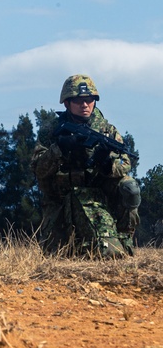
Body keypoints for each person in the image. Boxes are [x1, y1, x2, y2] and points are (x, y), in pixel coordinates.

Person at [31, 74, 140, 257]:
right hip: (61, 197)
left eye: (89, 100)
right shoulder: (52, 131)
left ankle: (123, 239)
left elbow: (125, 162)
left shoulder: (106, 130)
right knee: (56, 254)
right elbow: (38, 169)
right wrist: (60, 148)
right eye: (79, 101)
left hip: (99, 195)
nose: (85, 105)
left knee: (129, 187)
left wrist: (107, 165)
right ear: (67, 103)